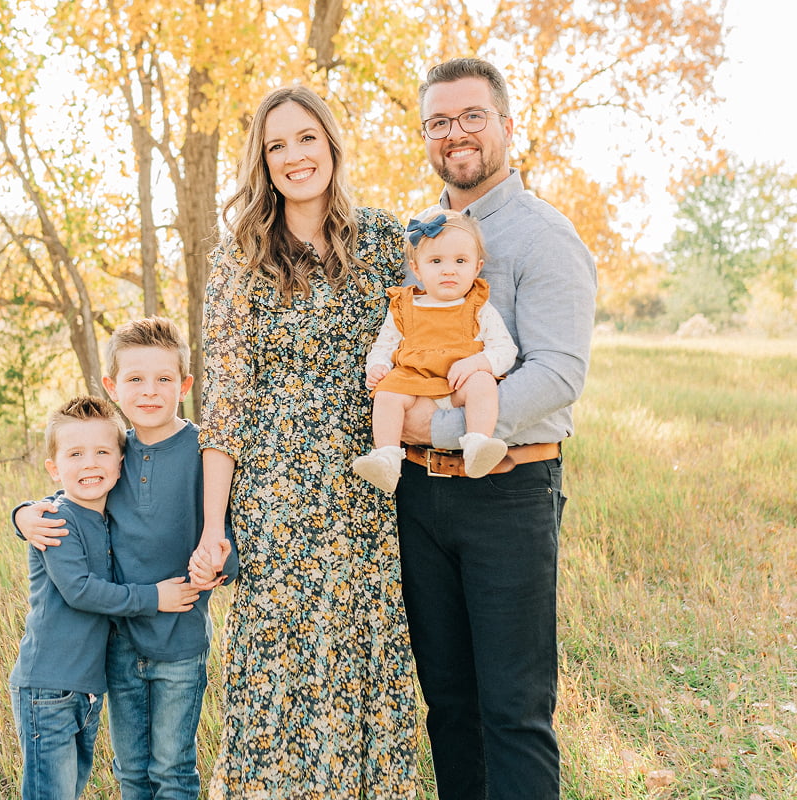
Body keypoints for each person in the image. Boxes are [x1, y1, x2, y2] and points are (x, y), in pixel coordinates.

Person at [190, 85, 418, 798]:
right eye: (275, 145)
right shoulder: (238, 261)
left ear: (331, 144)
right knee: (277, 682)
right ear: (262, 162)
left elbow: (432, 335)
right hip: (279, 504)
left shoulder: (385, 241)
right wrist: (212, 526)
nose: (293, 156)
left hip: (367, 497)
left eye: (306, 138)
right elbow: (224, 404)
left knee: (367, 670)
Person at [396, 58, 597, 800]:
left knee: (513, 710)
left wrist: (443, 423)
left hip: (509, 495)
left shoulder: (546, 238)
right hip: (420, 499)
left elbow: (558, 374)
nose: (457, 134)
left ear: (507, 126)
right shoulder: (419, 237)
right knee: (448, 706)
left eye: (472, 116)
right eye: (439, 122)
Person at [13, 318, 238, 800]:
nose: (150, 391)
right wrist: (23, 514)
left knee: (172, 770)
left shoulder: (205, 452)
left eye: (164, 379)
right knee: (131, 772)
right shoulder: (115, 450)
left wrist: (218, 563)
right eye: (135, 379)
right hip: (118, 646)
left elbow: (227, 535)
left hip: (180, 643)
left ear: (185, 385)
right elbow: (72, 492)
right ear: (112, 387)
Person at [9, 394, 201, 800]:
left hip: (84, 687)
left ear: (120, 462)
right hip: (48, 684)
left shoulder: (105, 515)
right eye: (75, 454)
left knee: (71, 785)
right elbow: (79, 590)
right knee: (52, 791)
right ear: (54, 469)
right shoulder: (56, 520)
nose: (90, 463)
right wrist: (154, 599)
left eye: (101, 452)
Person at [351, 209, 517, 493]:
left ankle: (477, 443)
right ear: (417, 269)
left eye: (460, 261)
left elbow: (504, 349)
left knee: (483, 382)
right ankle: (388, 458)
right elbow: (385, 345)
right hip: (413, 387)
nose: (449, 270)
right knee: (387, 394)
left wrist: (478, 362)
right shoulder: (404, 306)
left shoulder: (478, 306)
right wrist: (376, 366)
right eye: (436, 261)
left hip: (457, 385)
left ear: (476, 268)